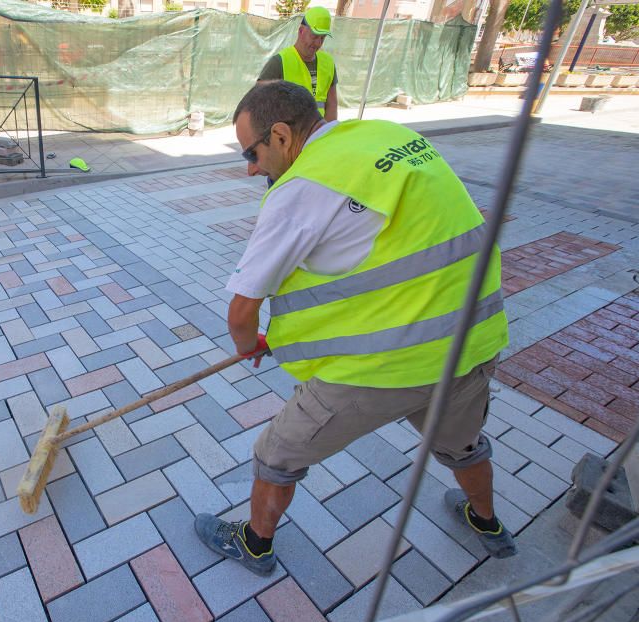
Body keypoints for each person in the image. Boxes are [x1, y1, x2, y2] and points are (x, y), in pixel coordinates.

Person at [194, 81, 515, 576]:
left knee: (276, 455)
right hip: (471, 343)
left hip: (385, 367)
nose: (252, 168)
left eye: (251, 152)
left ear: (280, 136)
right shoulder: (385, 135)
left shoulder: (301, 189)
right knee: (460, 444)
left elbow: (241, 311)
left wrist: (247, 347)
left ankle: (255, 544)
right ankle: (487, 521)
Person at [258, 6, 338, 121]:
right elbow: (258, 103)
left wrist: (329, 134)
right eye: (314, 36)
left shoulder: (328, 63)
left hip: (319, 135)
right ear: (301, 31)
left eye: (322, 38)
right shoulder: (279, 62)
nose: (318, 43)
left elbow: (332, 104)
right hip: (289, 136)